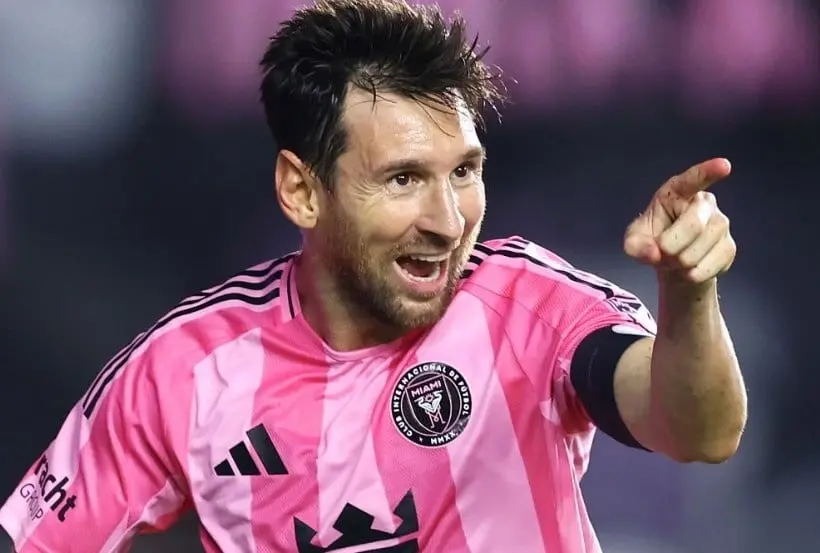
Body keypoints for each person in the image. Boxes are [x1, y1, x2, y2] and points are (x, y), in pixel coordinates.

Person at [0, 0, 748, 551]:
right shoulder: (184, 370)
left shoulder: (532, 308)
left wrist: (689, 294)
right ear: (301, 190)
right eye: (401, 179)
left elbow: (698, 430)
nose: (449, 220)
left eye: (464, 172)